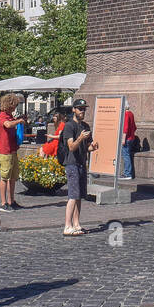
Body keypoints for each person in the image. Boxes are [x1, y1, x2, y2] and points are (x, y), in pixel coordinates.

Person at [62, 99, 98, 233]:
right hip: (72, 163)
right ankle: (67, 225)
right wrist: (80, 138)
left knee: (79, 196)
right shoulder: (69, 126)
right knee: (73, 195)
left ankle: (76, 224)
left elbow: (87, 147)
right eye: (79, 108)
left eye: (84, 109)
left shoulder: (85, 127)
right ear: (73, 110)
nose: (82, 111)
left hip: (82, 163)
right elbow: (71, 147)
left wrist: (92, 147)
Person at [0, 95, 25, 213]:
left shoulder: (10, 116)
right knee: (4, 177)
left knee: (12, 178)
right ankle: (3, 203)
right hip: (5, 151)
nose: (15, 107)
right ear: (9, 104)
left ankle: (11, 200)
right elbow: (7, 125)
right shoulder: (2, 116)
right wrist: (18, 121)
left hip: (13, 150)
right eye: (14, 105)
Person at [120, 104, 137, 180]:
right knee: (127, 155)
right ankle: (128, 173)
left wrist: (123, 139)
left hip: (127, 138)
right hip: (131, 137)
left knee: (126, 155)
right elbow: (134, 127)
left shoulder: (126, 114)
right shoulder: (131, 113)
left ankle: (127, 174)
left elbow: (125, 127)